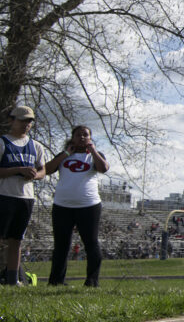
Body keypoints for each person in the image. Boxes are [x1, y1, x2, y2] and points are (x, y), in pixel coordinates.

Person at [44, 125, 110, 286]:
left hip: (88, 205)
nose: (82, 137)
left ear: (90, 138)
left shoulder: (94, 156)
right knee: (61, 245)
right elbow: (47, 169)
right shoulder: (64, 155)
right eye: (78, 135)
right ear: (72, 137)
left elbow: (104, 168)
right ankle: (56, 281)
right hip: (62, 205)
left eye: (85, 135)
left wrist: (93, 151)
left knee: (91, 243)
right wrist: (67, 153)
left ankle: (92, 281)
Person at [0, 106, 45, 286]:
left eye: (29, 121)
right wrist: (17, 170)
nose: (26, 124)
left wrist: (34, 174)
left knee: (16, 240)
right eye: (22, 120)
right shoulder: (3, 142)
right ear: (12, 120)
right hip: (4, 195)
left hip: (25, 197)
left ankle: (12, 279)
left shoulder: (36, 146)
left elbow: (43, 170)